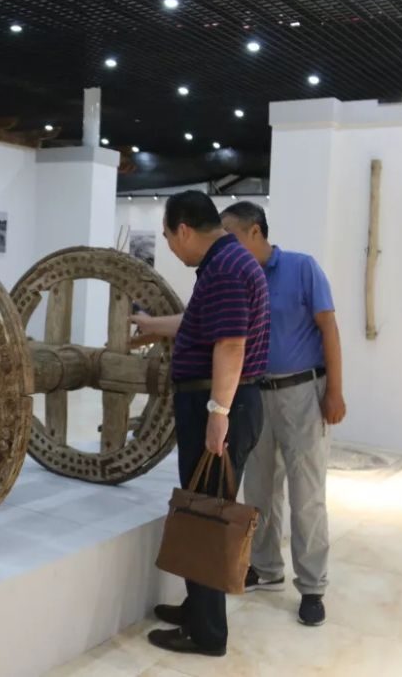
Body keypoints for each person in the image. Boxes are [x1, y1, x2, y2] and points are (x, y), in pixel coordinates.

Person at [133, 190, 269, 657]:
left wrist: (217, 414)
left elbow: (230, 345)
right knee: (201, 505)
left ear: (184, 230)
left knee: (210, 516)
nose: (171, 247)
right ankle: (197, 609)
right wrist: (153, 326)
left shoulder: (227, 269)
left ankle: (208, 633)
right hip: (222, 403)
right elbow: (199, 324)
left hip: (221, 406)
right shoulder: (223, 264)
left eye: (170, 238)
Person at [220, 201, 346, 627]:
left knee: (306, 494)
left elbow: (329, 327)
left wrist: (335, 391)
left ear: (255, 232)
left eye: (232, 236)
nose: (227, 246)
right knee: (259, 490)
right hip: (256, 392)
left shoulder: (302, 268)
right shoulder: (240, 278)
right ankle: (265, 567)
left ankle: (312, 587)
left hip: (303, 392)